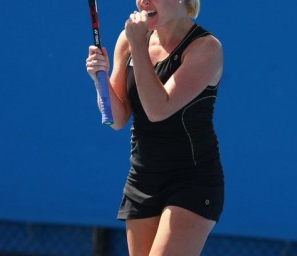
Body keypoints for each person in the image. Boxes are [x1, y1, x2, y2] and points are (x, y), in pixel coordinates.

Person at [86, 0, 224, 255]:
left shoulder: (206, 48)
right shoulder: (127, 40)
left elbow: (158, 110)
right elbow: (116, 120)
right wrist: (100, 78)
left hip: (192, 181)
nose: (143, 1)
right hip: (143, 179)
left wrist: (139, 45)